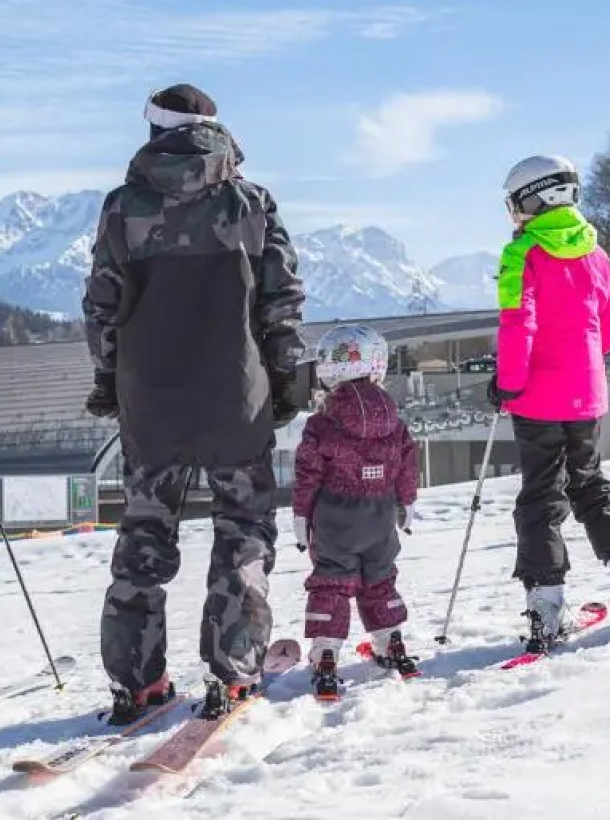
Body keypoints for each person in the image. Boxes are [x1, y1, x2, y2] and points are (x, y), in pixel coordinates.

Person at [83, 83, 306, 725]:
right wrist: (287, 380)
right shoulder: (249, 202)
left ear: (154, 129)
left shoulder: (122, 209)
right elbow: (282, 303)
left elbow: (102, 306)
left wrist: (108, 379)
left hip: (150, 403)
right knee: (242, 530)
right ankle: (235, 672)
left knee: (145, 536)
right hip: (235, 402)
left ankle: (137, 681)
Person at [485, 155, 610, 653]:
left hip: (536, 397)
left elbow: (518, 324)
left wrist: (507, 382)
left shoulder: (522, 255)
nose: (513, 214)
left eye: (514, 204)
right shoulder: (596, 253)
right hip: (586, 395)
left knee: (540, 498)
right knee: (590, 485)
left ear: (534, 198)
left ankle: (547, 610)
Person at [290, 325, 420, 700]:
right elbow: (406, 466)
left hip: (335, 519)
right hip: (379, 517)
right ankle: (390, 641)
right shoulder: (394, 422)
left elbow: (308, 473)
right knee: (379, 578)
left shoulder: (322, 424)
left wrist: (302, 516)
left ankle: (326, 652)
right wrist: (406, 503)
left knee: (332, 581)